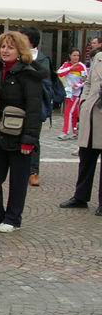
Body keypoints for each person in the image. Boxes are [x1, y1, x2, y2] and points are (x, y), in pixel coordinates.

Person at [0, 31, 42, 233]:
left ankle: (13, 218)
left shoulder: (29, 74)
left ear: (20, 50)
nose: (5, 50)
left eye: (10, 47)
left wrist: (29, 139)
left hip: (19, 134)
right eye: (3, 46)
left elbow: (34, 109)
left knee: (18, 180)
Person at [59, 47, 102, 215]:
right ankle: (80, 197)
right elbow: (88, 82)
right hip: (91, 115)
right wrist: (84, 102)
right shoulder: (99, 57)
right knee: (86, 158)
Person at [19, 26, 51, 187]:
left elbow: (47, 84)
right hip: (19, 104)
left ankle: (33, 171)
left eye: (22, 38)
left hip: (36, 104)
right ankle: (20, 169)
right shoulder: (17, 56)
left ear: (31, 41)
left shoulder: (43, 59)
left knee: (34, 138)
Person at [56, 49, 87, 140]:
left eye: (78, 55)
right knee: (74, 113)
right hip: (67, 92)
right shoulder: (66, 64)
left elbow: (85, 80)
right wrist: (70, 68)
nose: (76, 57)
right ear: (70, 55)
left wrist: (77, 85)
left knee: (68, 112)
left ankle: (66, 132)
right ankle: (74, 131)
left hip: (76, 94)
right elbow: (59, 73)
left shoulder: (81, 66)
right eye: (74, 55)